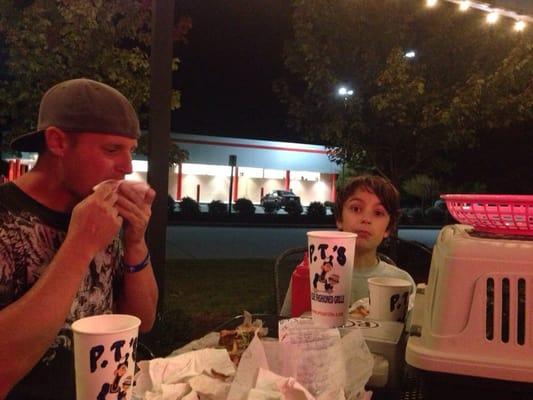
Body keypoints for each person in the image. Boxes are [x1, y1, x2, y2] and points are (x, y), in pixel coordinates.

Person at [0, 78, 159, 399]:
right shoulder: (6, 219)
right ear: (58, 142)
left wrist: (135, 242)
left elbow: (142, 322)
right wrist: (80, 246)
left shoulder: (100, 210)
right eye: (112, 149)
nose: (127, 167)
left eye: (130, 151)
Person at [280, 175, 415, 317]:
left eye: (378, 213)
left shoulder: (402, 283)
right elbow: (286, 327)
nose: (366, 219)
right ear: (339, 219)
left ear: (388, 228)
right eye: (356, 209)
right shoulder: (312, 274)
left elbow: (411, 338)